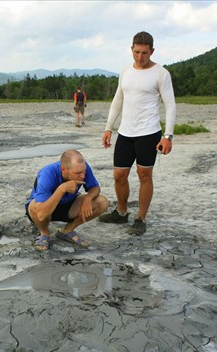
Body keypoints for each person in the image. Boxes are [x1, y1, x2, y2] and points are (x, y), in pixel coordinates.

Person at [98, 31, 176, 235]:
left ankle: (140, 218)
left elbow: (170, 105)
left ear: (152, 51)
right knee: (119, 175)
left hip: (149, 133)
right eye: (136, 52)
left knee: (144, 175)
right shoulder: (125, 71)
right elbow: (118, 101)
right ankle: (122, 213)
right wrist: (108, 128)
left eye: (144, 53)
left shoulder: (161, 74)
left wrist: (168, 136)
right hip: (125, 132)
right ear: (131, 49)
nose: (140, 57)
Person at [25, 149, 109, 251]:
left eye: (84, 172)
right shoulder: (47, 173)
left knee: (102, 202)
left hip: (69, 205)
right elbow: (41, 214)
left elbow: (95, 188)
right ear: (64, 169)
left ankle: (67, 231)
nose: (83, 176)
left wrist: (88, 198)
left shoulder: (82, 167)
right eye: (78, 173)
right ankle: (45, 233)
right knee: (35, 206)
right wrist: (62, 189)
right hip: (45, 209)